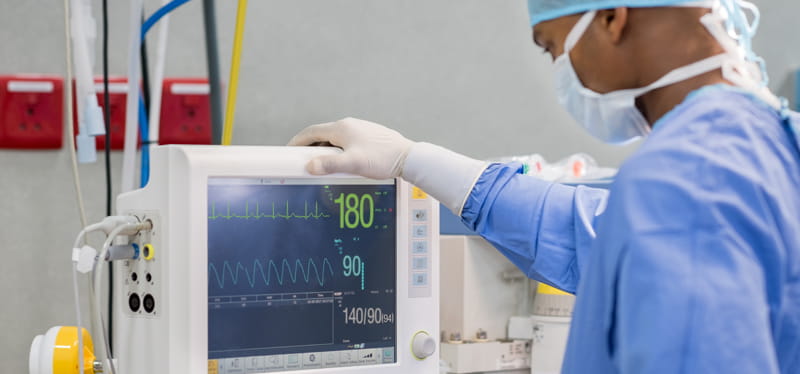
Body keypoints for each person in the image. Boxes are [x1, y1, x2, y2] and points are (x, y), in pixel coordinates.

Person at [289, 0, 800, 372]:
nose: (561, 69)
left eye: (553, 47)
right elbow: (593, 235)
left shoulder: (684, 176)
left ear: (611, 18)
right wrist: (412, 158)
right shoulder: (767, 141)